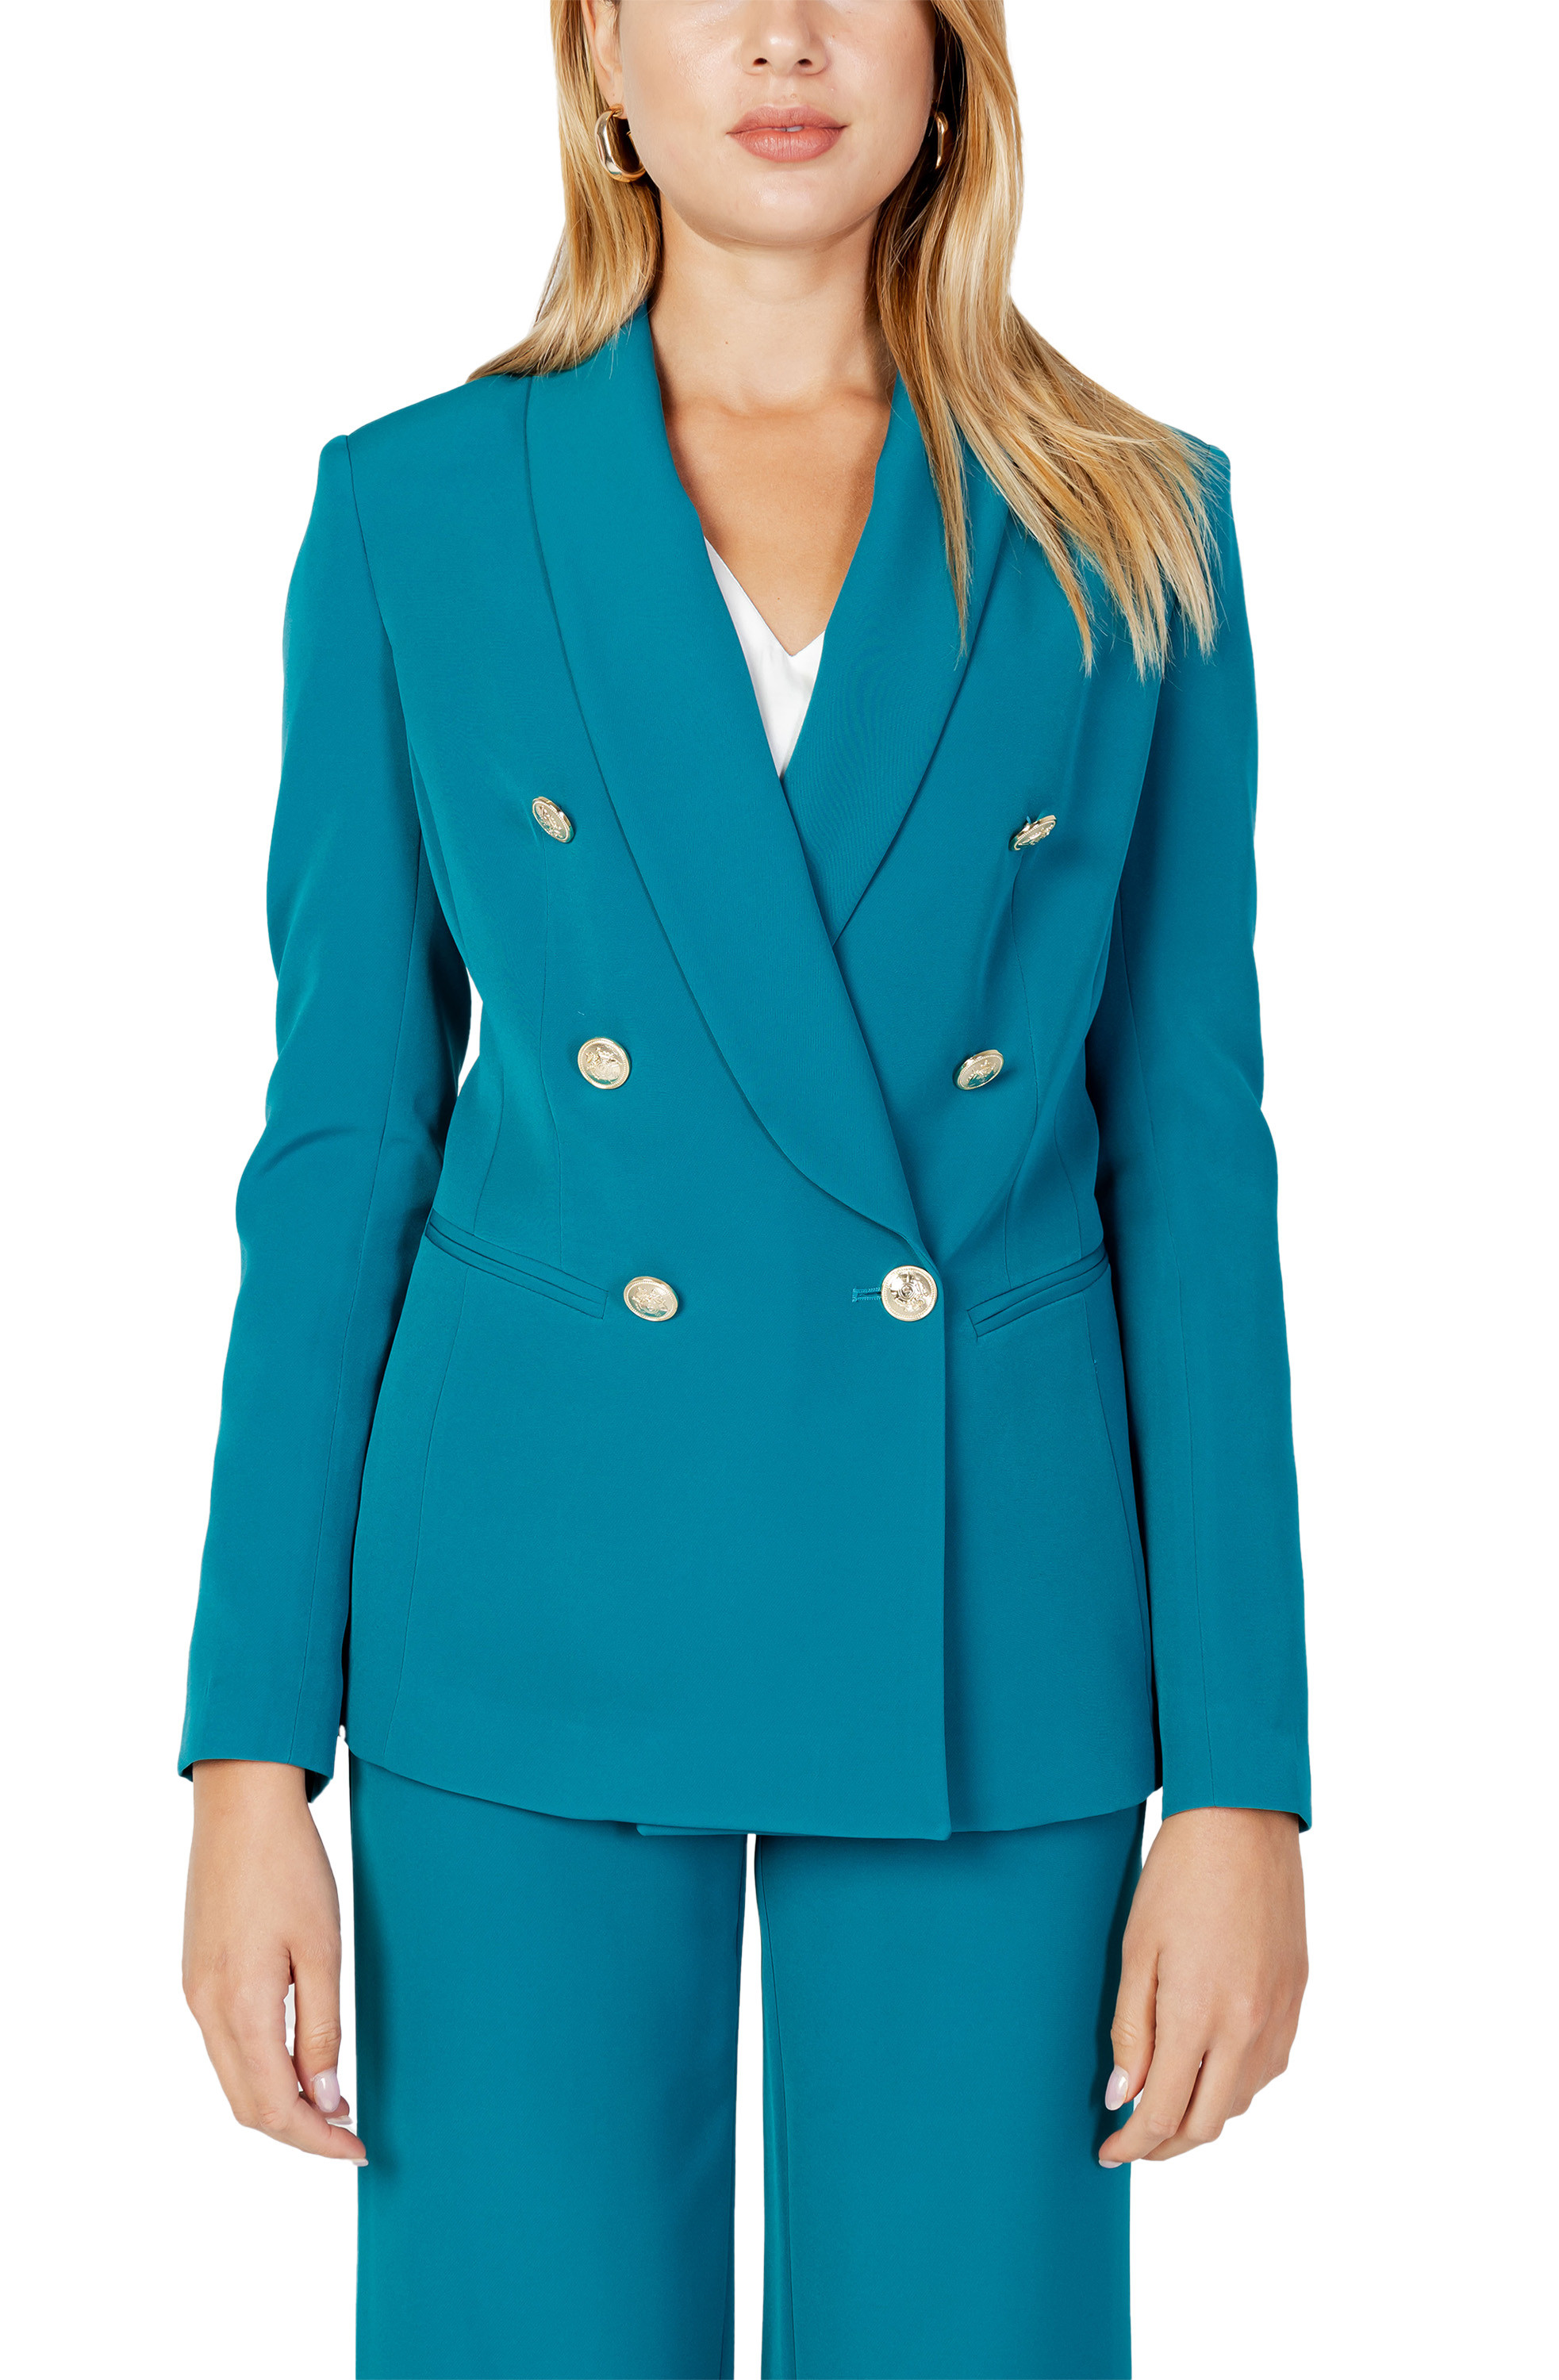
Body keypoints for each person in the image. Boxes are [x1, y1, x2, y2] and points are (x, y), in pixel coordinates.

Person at [180, 5, 1310, 2374]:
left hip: (990, 1612)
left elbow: (1195, 1167)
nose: (784, 37)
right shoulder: (414, 513)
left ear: (949, 52)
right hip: (522, 1603)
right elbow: (341, 1144)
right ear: (598, 52)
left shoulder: (1132, 515)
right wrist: (248, 1754)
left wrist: (1246, 1786)